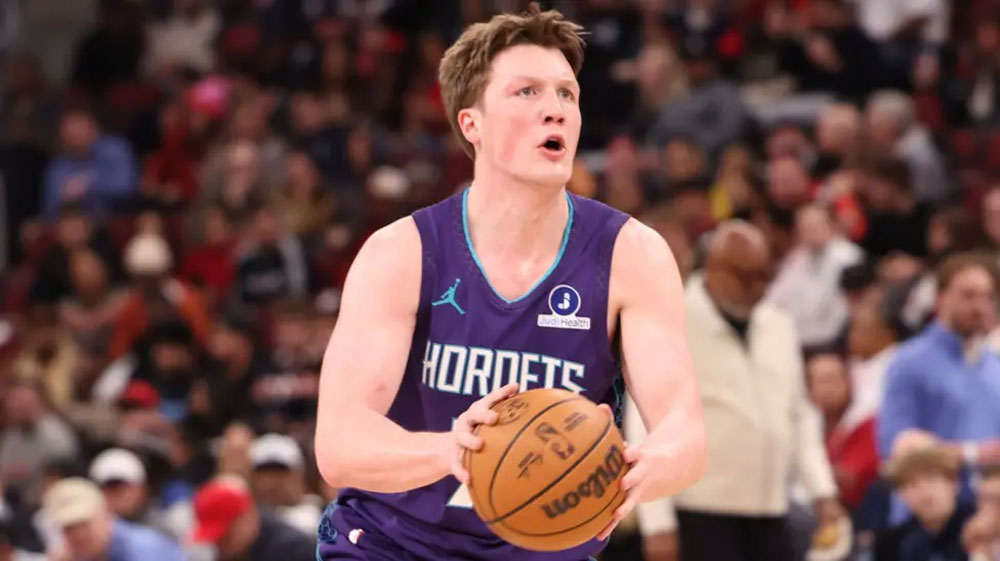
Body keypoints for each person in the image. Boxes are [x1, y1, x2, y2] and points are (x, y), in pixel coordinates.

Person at [313, 4, 707, 560]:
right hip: (392, 544)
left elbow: (685, 429)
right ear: (471, 124)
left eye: (566, 94)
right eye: (527, 92)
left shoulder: (631, 255)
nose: (555, 110)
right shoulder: (401, 253)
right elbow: (338, 445)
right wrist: (451, 451)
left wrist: (650, 465)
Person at [632, 222, 842, 561]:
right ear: (713, 268)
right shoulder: (671, 319)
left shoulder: (779, 324)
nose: (755, 288)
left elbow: (798, 414)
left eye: (763, 277)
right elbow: (643, 422)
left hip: (771, 507)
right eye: (744, 276)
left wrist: (822, 490)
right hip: (699, 511)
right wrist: (657, 523)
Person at [41, 477, 185, 561]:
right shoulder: (89, 555)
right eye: (68, 528)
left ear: (105, 513)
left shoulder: (142, 548)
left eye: (84, 523)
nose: (79, 534)